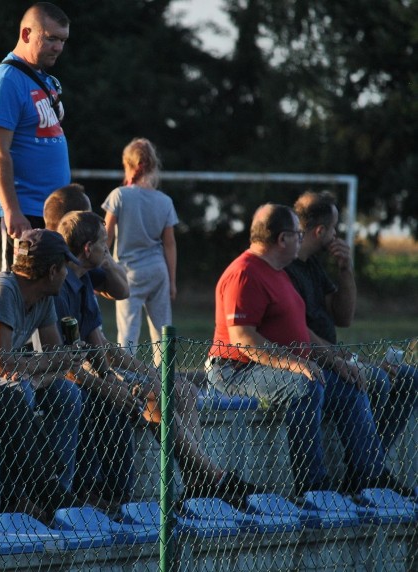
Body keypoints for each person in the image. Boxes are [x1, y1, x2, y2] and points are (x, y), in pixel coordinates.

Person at [55, 211, 263, 506]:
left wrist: (148, 372)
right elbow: (64, 362)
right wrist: (111, 384)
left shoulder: (86, 278)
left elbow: (100, 344)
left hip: (91, 372)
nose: (109, 247)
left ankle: (196, 482)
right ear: (87, 248)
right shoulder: (61, 285)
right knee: (153, 398)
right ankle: (215, 478)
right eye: (104, 243)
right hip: (67, 376)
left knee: (185, 390)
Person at [205, 203, 409, 496]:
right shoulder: (245, 273)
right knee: (305, 384)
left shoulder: (278, 272)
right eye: (297, 235)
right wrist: (294, 364)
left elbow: (302, 335)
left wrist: (336, 361)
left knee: (350, 386)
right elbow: (243, 339)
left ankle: (369, 477)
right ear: (282, 239)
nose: (302, 240)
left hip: (270, 367)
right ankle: (312, 487)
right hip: (235, 372)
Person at [0, 229, 87, 513]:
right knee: (19, 390)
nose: (67, 275)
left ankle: (59, 491)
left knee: (67, 393)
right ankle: (18, 500)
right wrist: (48, 365)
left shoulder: (44, 296)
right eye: (65, 268)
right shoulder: (3, 292)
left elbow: (54, 355)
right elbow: (2, 365)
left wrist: (68, 358)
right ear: (51, 270)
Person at [286, 191, 417, 478]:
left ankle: (372, 467)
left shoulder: (313, 265)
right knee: (378, 380)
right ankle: (365, 476)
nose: (336, 235)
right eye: (334, 228)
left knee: (408, 377)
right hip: (312, 360)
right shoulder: (285, 266)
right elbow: (296, 332)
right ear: (321, 231)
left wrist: (346, 270)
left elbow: (343, 316)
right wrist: (340, 359)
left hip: (332, 355)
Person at [0, 2, 71, 279]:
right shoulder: (6, 81)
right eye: (51, 38)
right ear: (27, 33)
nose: (58, 47)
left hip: (45, 213)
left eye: (63, 40)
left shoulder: (45, 80)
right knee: (9, 302)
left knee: (43, 306)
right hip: (18, 215)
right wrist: (12, 210)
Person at [102, 138, 177, 366]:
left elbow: (106, 236)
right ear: (154, 166)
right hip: (157, 271)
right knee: (162, 331)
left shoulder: (119, 196)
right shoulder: (164, 201)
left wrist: (100, 270)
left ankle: (127, 382)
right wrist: (172, 281)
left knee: (127, 333)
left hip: (127, 273)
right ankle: (166, 383)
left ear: (128, 165)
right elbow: (170, 244)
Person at [43, 183, 129, 301]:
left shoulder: (80, 259)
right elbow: (123, 291)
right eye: (88, 215)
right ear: (75, 220)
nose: (92, 220)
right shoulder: (67, 263)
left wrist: (105, 259)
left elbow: (122, 291)